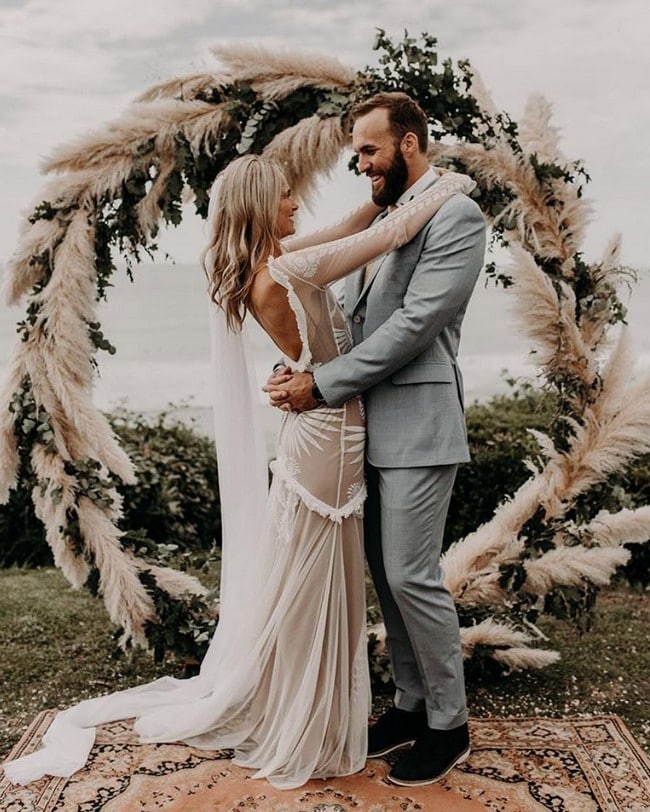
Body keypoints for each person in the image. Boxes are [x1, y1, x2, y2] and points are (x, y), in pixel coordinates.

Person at [3, 153, 475, 790]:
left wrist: (396, 192)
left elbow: (355, 219)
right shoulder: (290, 265)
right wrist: (453, 182)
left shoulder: (270, 263)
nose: (294, 206)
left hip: (314, 434)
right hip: (330, 436)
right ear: (259, 206)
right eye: (283, 197)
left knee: (314, 578)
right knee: (320, 584)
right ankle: (312, 717)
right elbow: (385, 234)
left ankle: (331, 707)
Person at [265, 92, 487, 787]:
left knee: (412, 576)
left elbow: (415, 325)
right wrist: (299, 365)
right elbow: (350, 316)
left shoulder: (457, 215)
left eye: (368, 149)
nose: (357, 162)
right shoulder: (390, 214)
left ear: (411, 143)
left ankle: (449, 727)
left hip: (419, 424)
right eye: (356, 150)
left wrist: (322, 384)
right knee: (387, 581)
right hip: (362, 428)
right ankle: (411, 706)